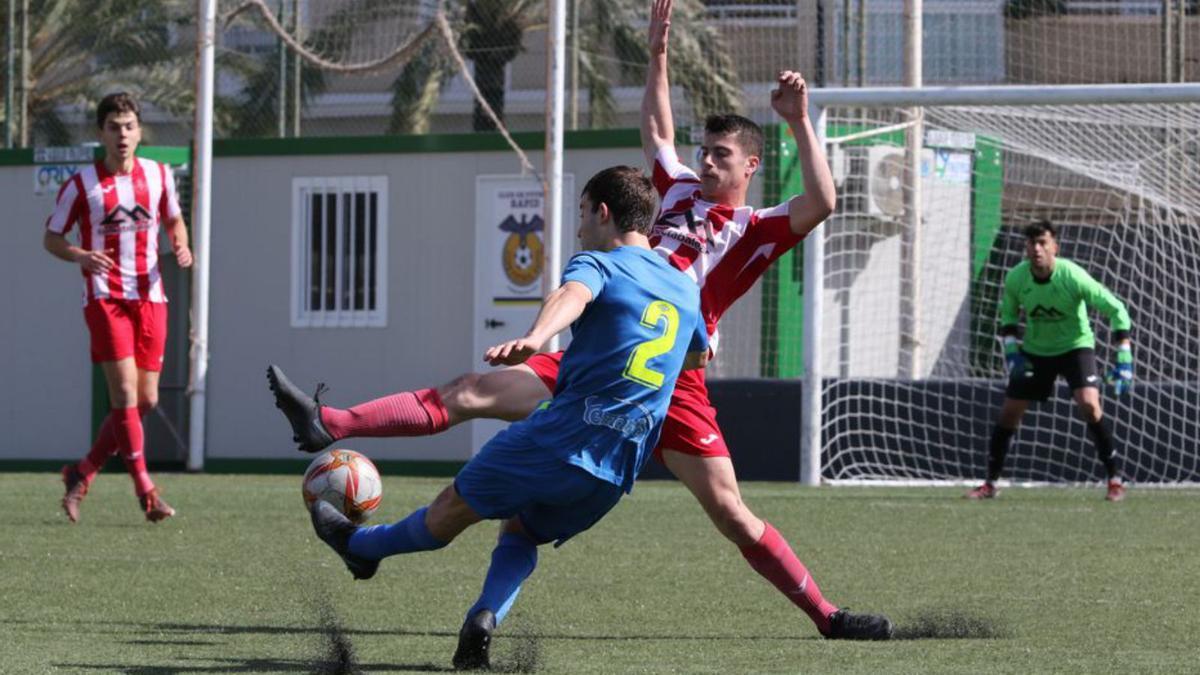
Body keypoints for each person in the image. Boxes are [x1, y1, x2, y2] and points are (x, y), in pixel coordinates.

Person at [269, 0, 892, 643]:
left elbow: (822, 201)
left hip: (672, 377)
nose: (705, 162)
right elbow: (656, 131)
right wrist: (654, 55)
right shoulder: (672, 190)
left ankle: (828, 616)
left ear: (750, 168)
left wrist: (798, 121)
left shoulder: (754, 228)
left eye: (722, 155)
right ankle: (327, 424)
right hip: (601, 351)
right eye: (704, 151)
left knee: (732, 514)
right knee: (470, 390)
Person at [290, 165, 710, 669]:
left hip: (560, 438)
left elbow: (572, 296)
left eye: (581, 213)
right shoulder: (685, 288)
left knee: (449, 512)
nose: (579, 228)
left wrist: (536, 339)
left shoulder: (598, 264)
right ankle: (483, 617)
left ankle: (361, 546)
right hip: (616, 467)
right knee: (520, 532)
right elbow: (696, 358)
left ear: (603, 212)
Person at [45, 92, 192, 523]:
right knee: (125, 394)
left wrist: (180, 245)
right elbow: (51, 238)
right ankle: (147, 492)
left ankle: (81, 471)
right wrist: (80, 255)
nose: (122, 134)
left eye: (129, 126)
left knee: (143, 399)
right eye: (114, 127)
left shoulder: (159, 175)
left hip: (150, 297)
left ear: (140, 131)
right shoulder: (81, 185)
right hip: (105, 297)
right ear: (100, 133)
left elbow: (173, 220)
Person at [966, 220, 1133, 502]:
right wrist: (1011, 354)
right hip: (1036, 351)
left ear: (1055, 246)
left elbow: (1117, 309)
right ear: (1025, 248)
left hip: (1075, 347)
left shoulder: (1072, 276)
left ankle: (1115, 479)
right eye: (1031, 243)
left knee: (1091, 407)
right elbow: (1007, 318)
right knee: (1009, 413)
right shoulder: (1016, 278)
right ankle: (990, 484)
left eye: (1043, 242)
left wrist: (1124, 359)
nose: (1037, 249)